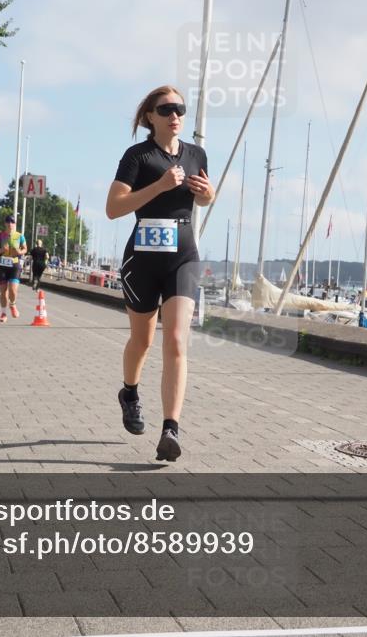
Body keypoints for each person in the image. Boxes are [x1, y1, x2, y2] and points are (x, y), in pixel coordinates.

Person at [105, 85, 214, 462]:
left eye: (180, 108)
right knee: (144, 341)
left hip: (183, 256)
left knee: (177, 342)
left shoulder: (196, 154)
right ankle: (130, 392)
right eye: (166, 109)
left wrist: (207, 194)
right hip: (143, 259)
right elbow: (113, 208)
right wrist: (159, 186)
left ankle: (171, 428)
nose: (175, 115)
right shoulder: (138, 156)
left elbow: (201, 197)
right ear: (150, 116)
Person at [0, 215, 27, 322]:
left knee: (13, 290)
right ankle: (3, 313)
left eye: (12, 222)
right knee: (3, 291)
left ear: (15, 224)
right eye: (8, 222)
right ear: (5, 224)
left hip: (14, 265)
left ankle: (13, 304)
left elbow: (25, 248)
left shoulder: (20, 236)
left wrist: (20, 252)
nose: (10, 224)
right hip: (2, 265)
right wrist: (1, 250)